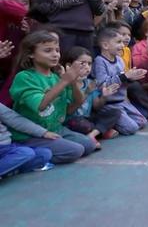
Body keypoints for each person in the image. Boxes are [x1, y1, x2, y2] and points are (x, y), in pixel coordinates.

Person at [10, 31, 96, 163]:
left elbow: (74, 106)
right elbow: (40, 105)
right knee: (76, 150)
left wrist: (72, 81)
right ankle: (29, 154)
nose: (55, 54)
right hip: (31, 134)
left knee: (89, 145)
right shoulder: (25, 77)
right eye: (48, 50)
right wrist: (65, 81)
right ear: (31, 54)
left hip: (56, 129)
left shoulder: (56, 77)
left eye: (57, 50)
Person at [93, 28, 148, 135]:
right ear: (105, 45)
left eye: (122, 42)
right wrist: (125, 76)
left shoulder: (119, 60)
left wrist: (132, 77)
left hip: (121, 102)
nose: (122, 45)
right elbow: (102, 84)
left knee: (142, 122)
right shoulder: (100, 61)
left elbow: (123, 79)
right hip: (109, 104)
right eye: (118, 42)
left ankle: (112, 123)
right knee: (132, 128)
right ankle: (106, 125)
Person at [0, 102, 53, 178]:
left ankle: (7, 171)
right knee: (25, 153)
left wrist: (43, 132)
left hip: (7, 147)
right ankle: (7, 170)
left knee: (44, 154)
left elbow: (13, 119)